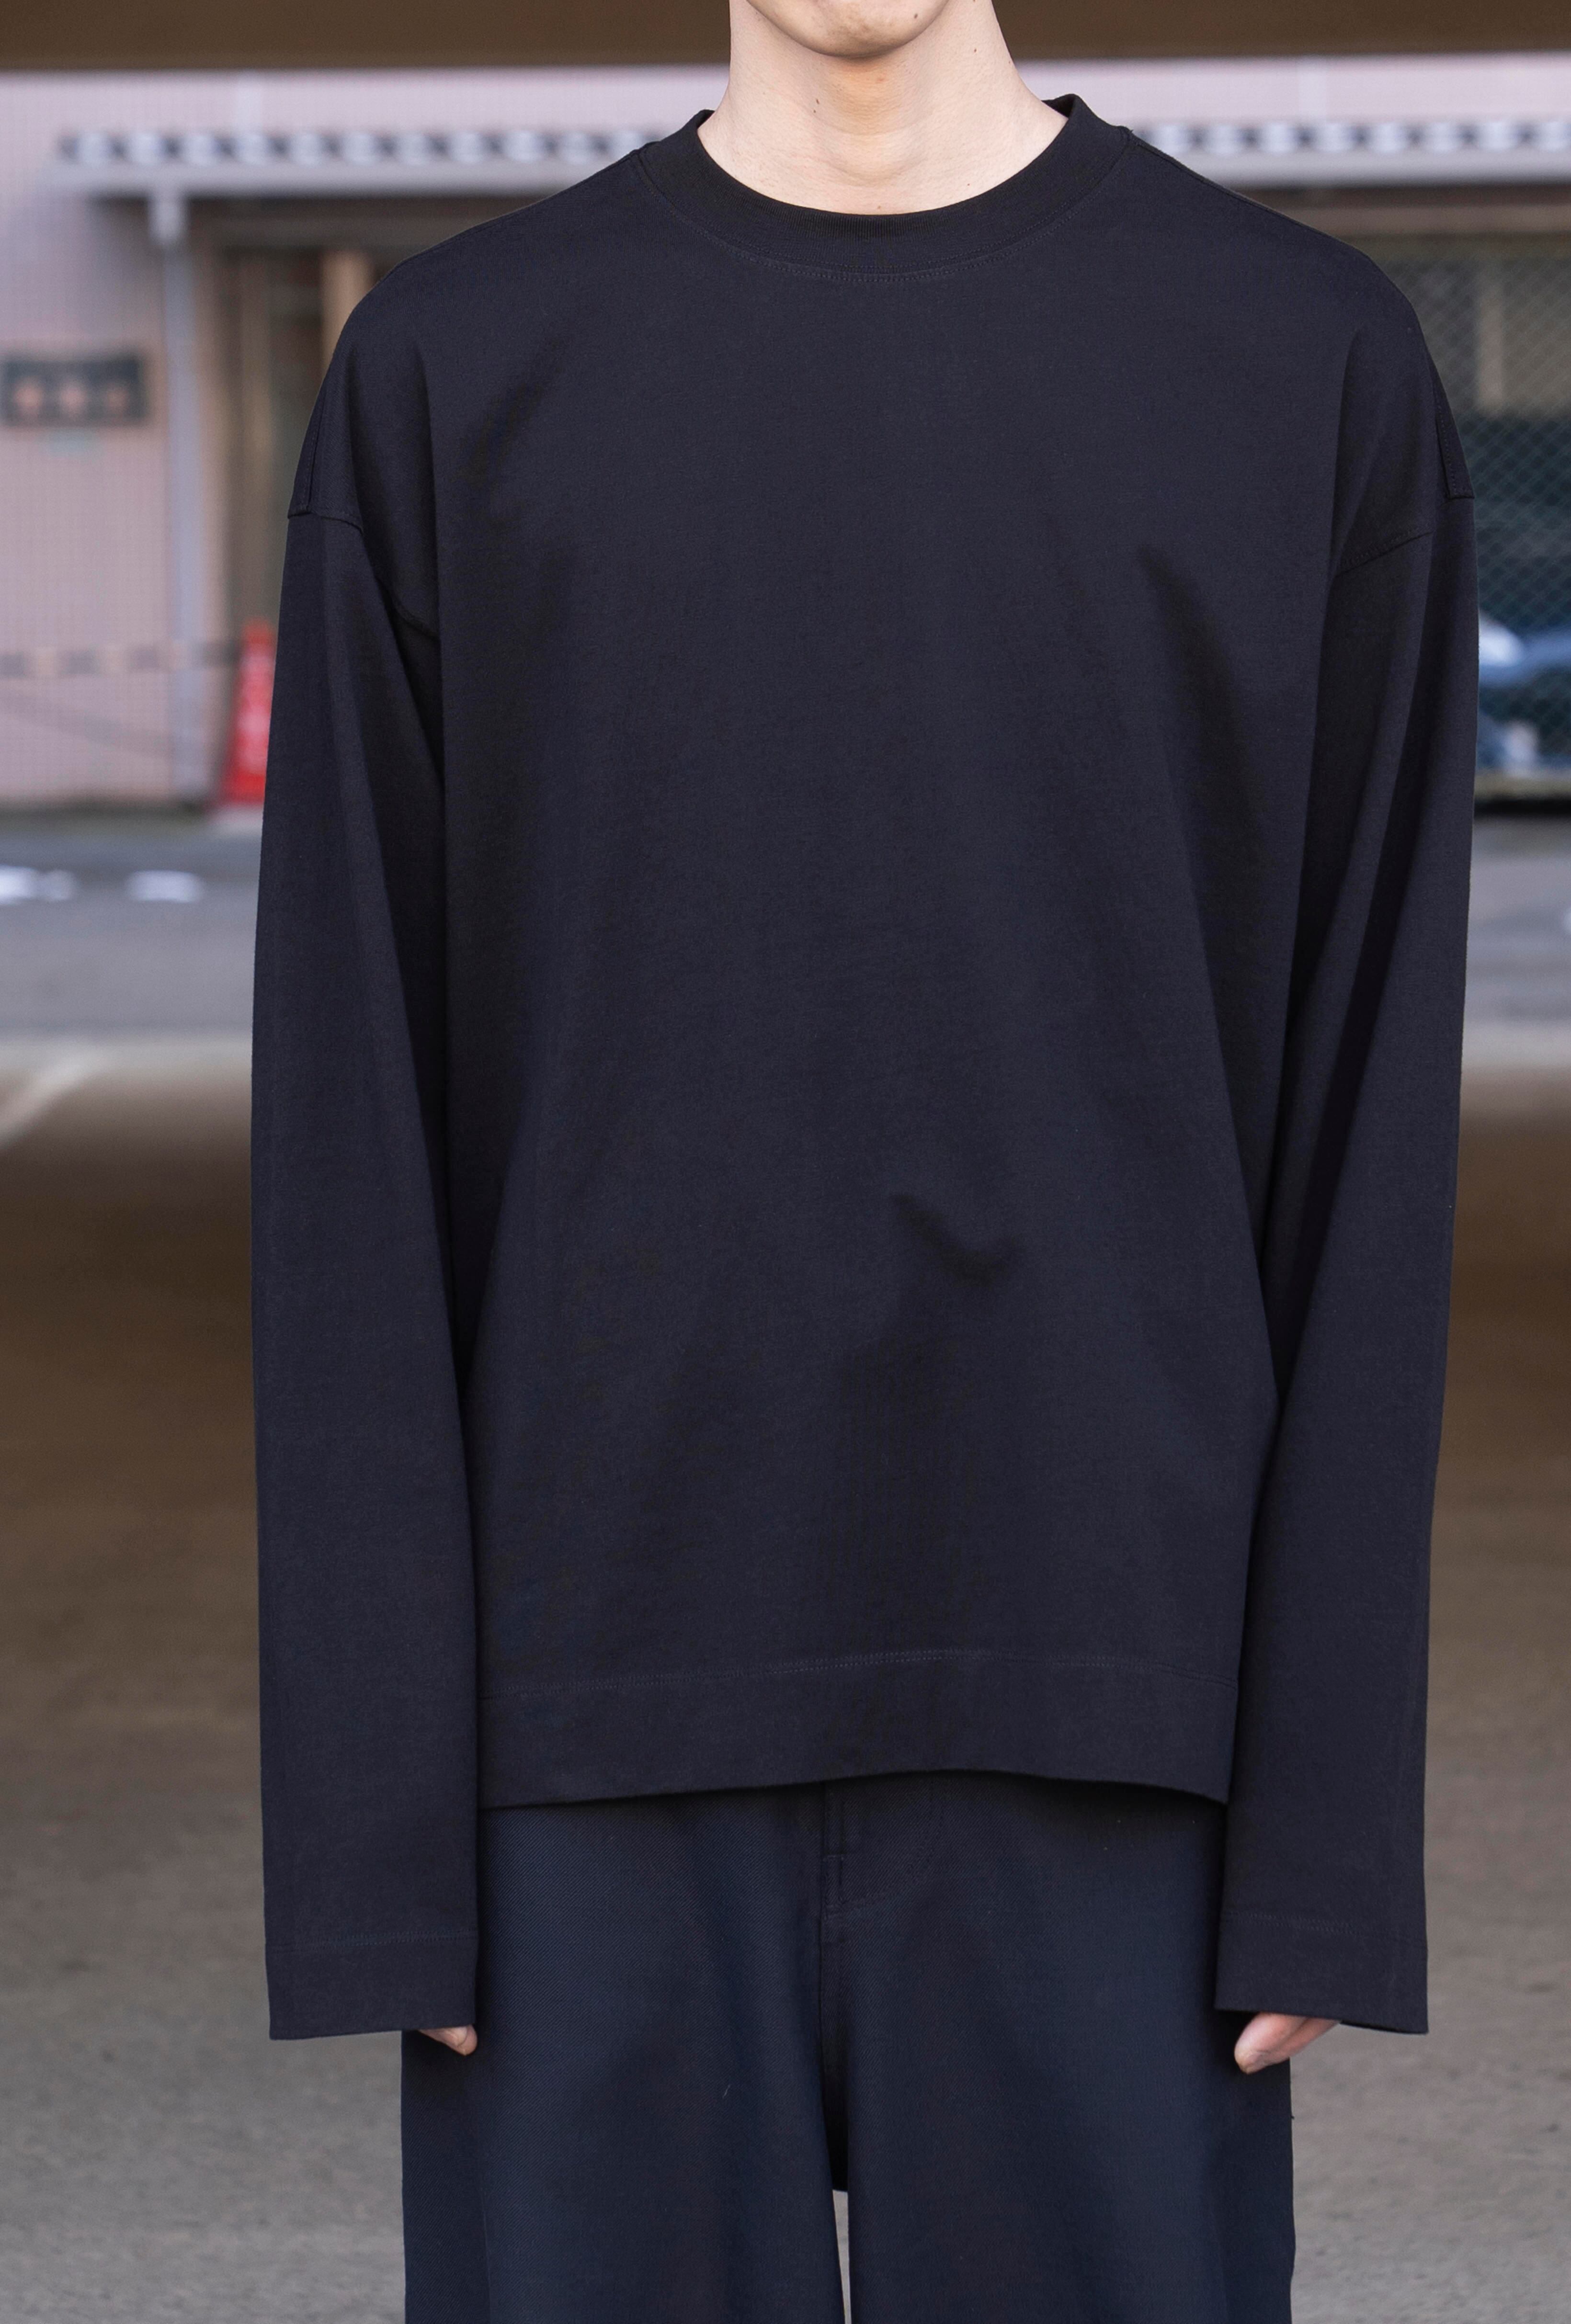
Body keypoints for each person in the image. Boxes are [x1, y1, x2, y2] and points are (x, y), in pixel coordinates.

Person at [251, 0, 1476, 2315]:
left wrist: (1324, 1830)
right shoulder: (454, 370)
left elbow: (1365, 1124)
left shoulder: (1297, 363)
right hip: (572, 1747)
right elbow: (347, 1134)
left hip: (1117, 1709)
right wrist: (378, 1840)